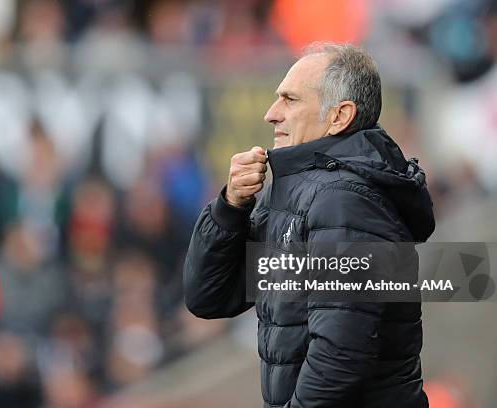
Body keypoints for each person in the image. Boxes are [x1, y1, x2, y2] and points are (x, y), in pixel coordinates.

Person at [183, 43, 435, 408]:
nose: (271, 114)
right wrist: (230, 207)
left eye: (290, 100)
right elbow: (208, 297)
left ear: (340, 116)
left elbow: (340, 353)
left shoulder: (346, 201)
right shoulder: (294, 193)